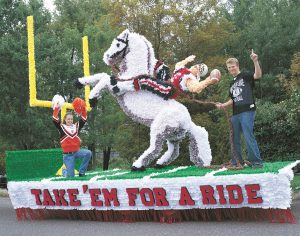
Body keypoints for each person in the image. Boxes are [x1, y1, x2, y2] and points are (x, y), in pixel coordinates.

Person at [216, 49, 263, 168]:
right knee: (233, 138)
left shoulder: (245, 75)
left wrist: (255, 61)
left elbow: (257, 75)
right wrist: (223, 105)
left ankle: (256, 162)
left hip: (247, 110)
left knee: (248, 136)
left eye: (233, 67)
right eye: (229, 68)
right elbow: (233, 99)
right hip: (235, 113)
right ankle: (237, 162)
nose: (231, 69)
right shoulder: (232, 83)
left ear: (237, 66)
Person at [52, 99, 92, 177]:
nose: (70, 120)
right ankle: (64, 171)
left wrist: (83, 108)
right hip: (68, 155)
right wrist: (57, 108)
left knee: (88, 153)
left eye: (71, 119)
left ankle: (82, 172)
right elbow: (54, 118)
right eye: (68, 119)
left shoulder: (76, 126)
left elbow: (84, 118)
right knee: (70, 176)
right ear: (65, 120)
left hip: (77, 152)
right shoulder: (62, 127)